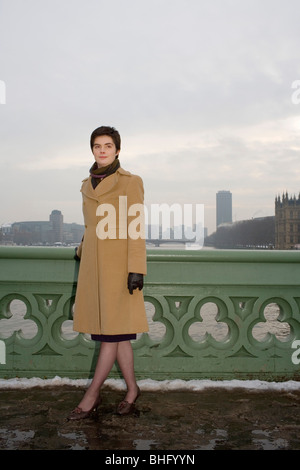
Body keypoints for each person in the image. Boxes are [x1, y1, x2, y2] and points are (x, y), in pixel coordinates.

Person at [68, 126, 148, 420]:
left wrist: (136, 269)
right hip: (94, 269)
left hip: (120, 270)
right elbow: (92, 226)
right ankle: (132, 390)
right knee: (119, 336)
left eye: (108, 145)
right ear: (92, 150)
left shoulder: (131, 182)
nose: (102, 150)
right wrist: (82, 248)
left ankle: (92, 394)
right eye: (97, 146)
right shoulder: (86, 184)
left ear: (117, 150)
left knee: (109, 337)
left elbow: (135, 228)